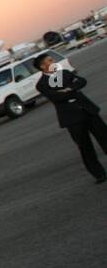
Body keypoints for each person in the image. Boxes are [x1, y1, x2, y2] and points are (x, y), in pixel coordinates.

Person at [34, 53, 107, 183]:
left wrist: (69, 88)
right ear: (43, 66)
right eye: (50, 60)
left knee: (104, 137)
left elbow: (81, 81)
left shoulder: (65, 73)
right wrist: (69, 91)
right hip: (72, 119)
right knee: (85, 147)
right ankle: (99, 174)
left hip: (88, 110)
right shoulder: (41, 84)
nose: (54, 61)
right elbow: (56, 97)